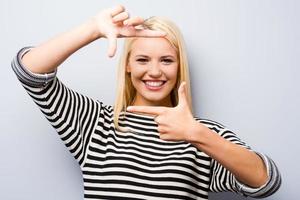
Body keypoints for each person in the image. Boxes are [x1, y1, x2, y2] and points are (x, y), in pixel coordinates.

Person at [12, 5, 281, 200]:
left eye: (166, 60)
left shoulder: (204, 135)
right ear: (127, 66)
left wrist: (195, 133)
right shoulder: (95, 123)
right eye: (142, 60)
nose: (154, 71)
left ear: (179, 66)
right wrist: (93, 29)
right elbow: (29, 72)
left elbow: (266, 182)